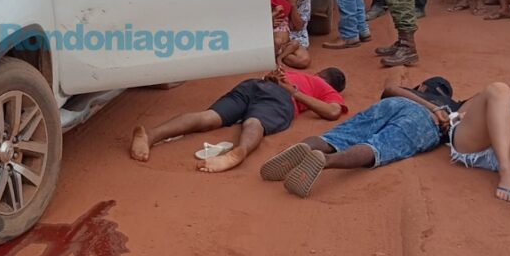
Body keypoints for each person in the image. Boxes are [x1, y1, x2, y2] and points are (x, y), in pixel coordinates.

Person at [388, 76, 510, 231]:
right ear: (422, 87)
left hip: (506, 139)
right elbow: (391, 88)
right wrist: (436, 108)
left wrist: (509, 103)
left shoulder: (506, 107)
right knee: (498, 89)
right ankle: (506, 172)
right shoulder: (458, 105)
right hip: (473, 141)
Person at [259, 75, 451, 197]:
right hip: (425, 121)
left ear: (423, 88)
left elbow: (390, 88)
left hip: (394, 103)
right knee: (378, 147)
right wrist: (442, 114)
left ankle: (306, 148)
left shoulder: (411, 92)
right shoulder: (451, 108)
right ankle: (325, 160)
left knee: (337, 136)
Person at [129, 67, 348, 173]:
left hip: (254, 85)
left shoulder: (298, 75)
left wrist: (284, 84)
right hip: (279, 96)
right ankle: (239, 152)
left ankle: (151, 135)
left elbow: (331, 111)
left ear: (320, 72)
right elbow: (332, 111)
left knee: (209, 117)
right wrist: (292, 91)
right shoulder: (322, 86)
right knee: (254, 122)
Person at [276, 0, 313, 69]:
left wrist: (292, 4)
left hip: (295, 39)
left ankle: (278, 55)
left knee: (304, 60)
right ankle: (279, 54)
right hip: (278, 37)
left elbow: (298, 26)